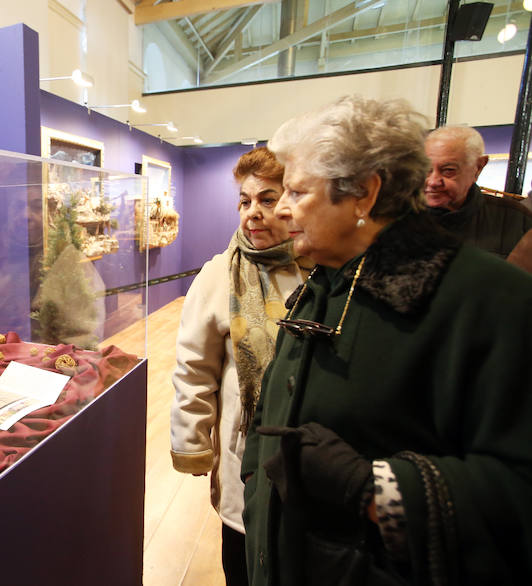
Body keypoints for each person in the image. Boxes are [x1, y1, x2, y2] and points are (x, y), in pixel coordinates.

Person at [242, 96, 532, 586]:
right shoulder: (329, 279)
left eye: (297, 192)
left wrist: (373, 490)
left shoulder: (488, 300)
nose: (282, 209)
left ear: (364, 194)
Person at [170, 147, 306, 586]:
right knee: (243, 559)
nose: (253, 213)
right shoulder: (218, 276)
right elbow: (194, 368)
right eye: (245, 202)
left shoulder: (324, 270)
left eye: (267, 199)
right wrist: (191, 442)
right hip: (244, 450)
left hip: (311, 452)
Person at [424, 125, 532, 258]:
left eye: (448, 170)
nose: (433, 181)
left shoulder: (517, 221)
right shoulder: (401, 216)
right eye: (426, 169)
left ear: (478, 167)